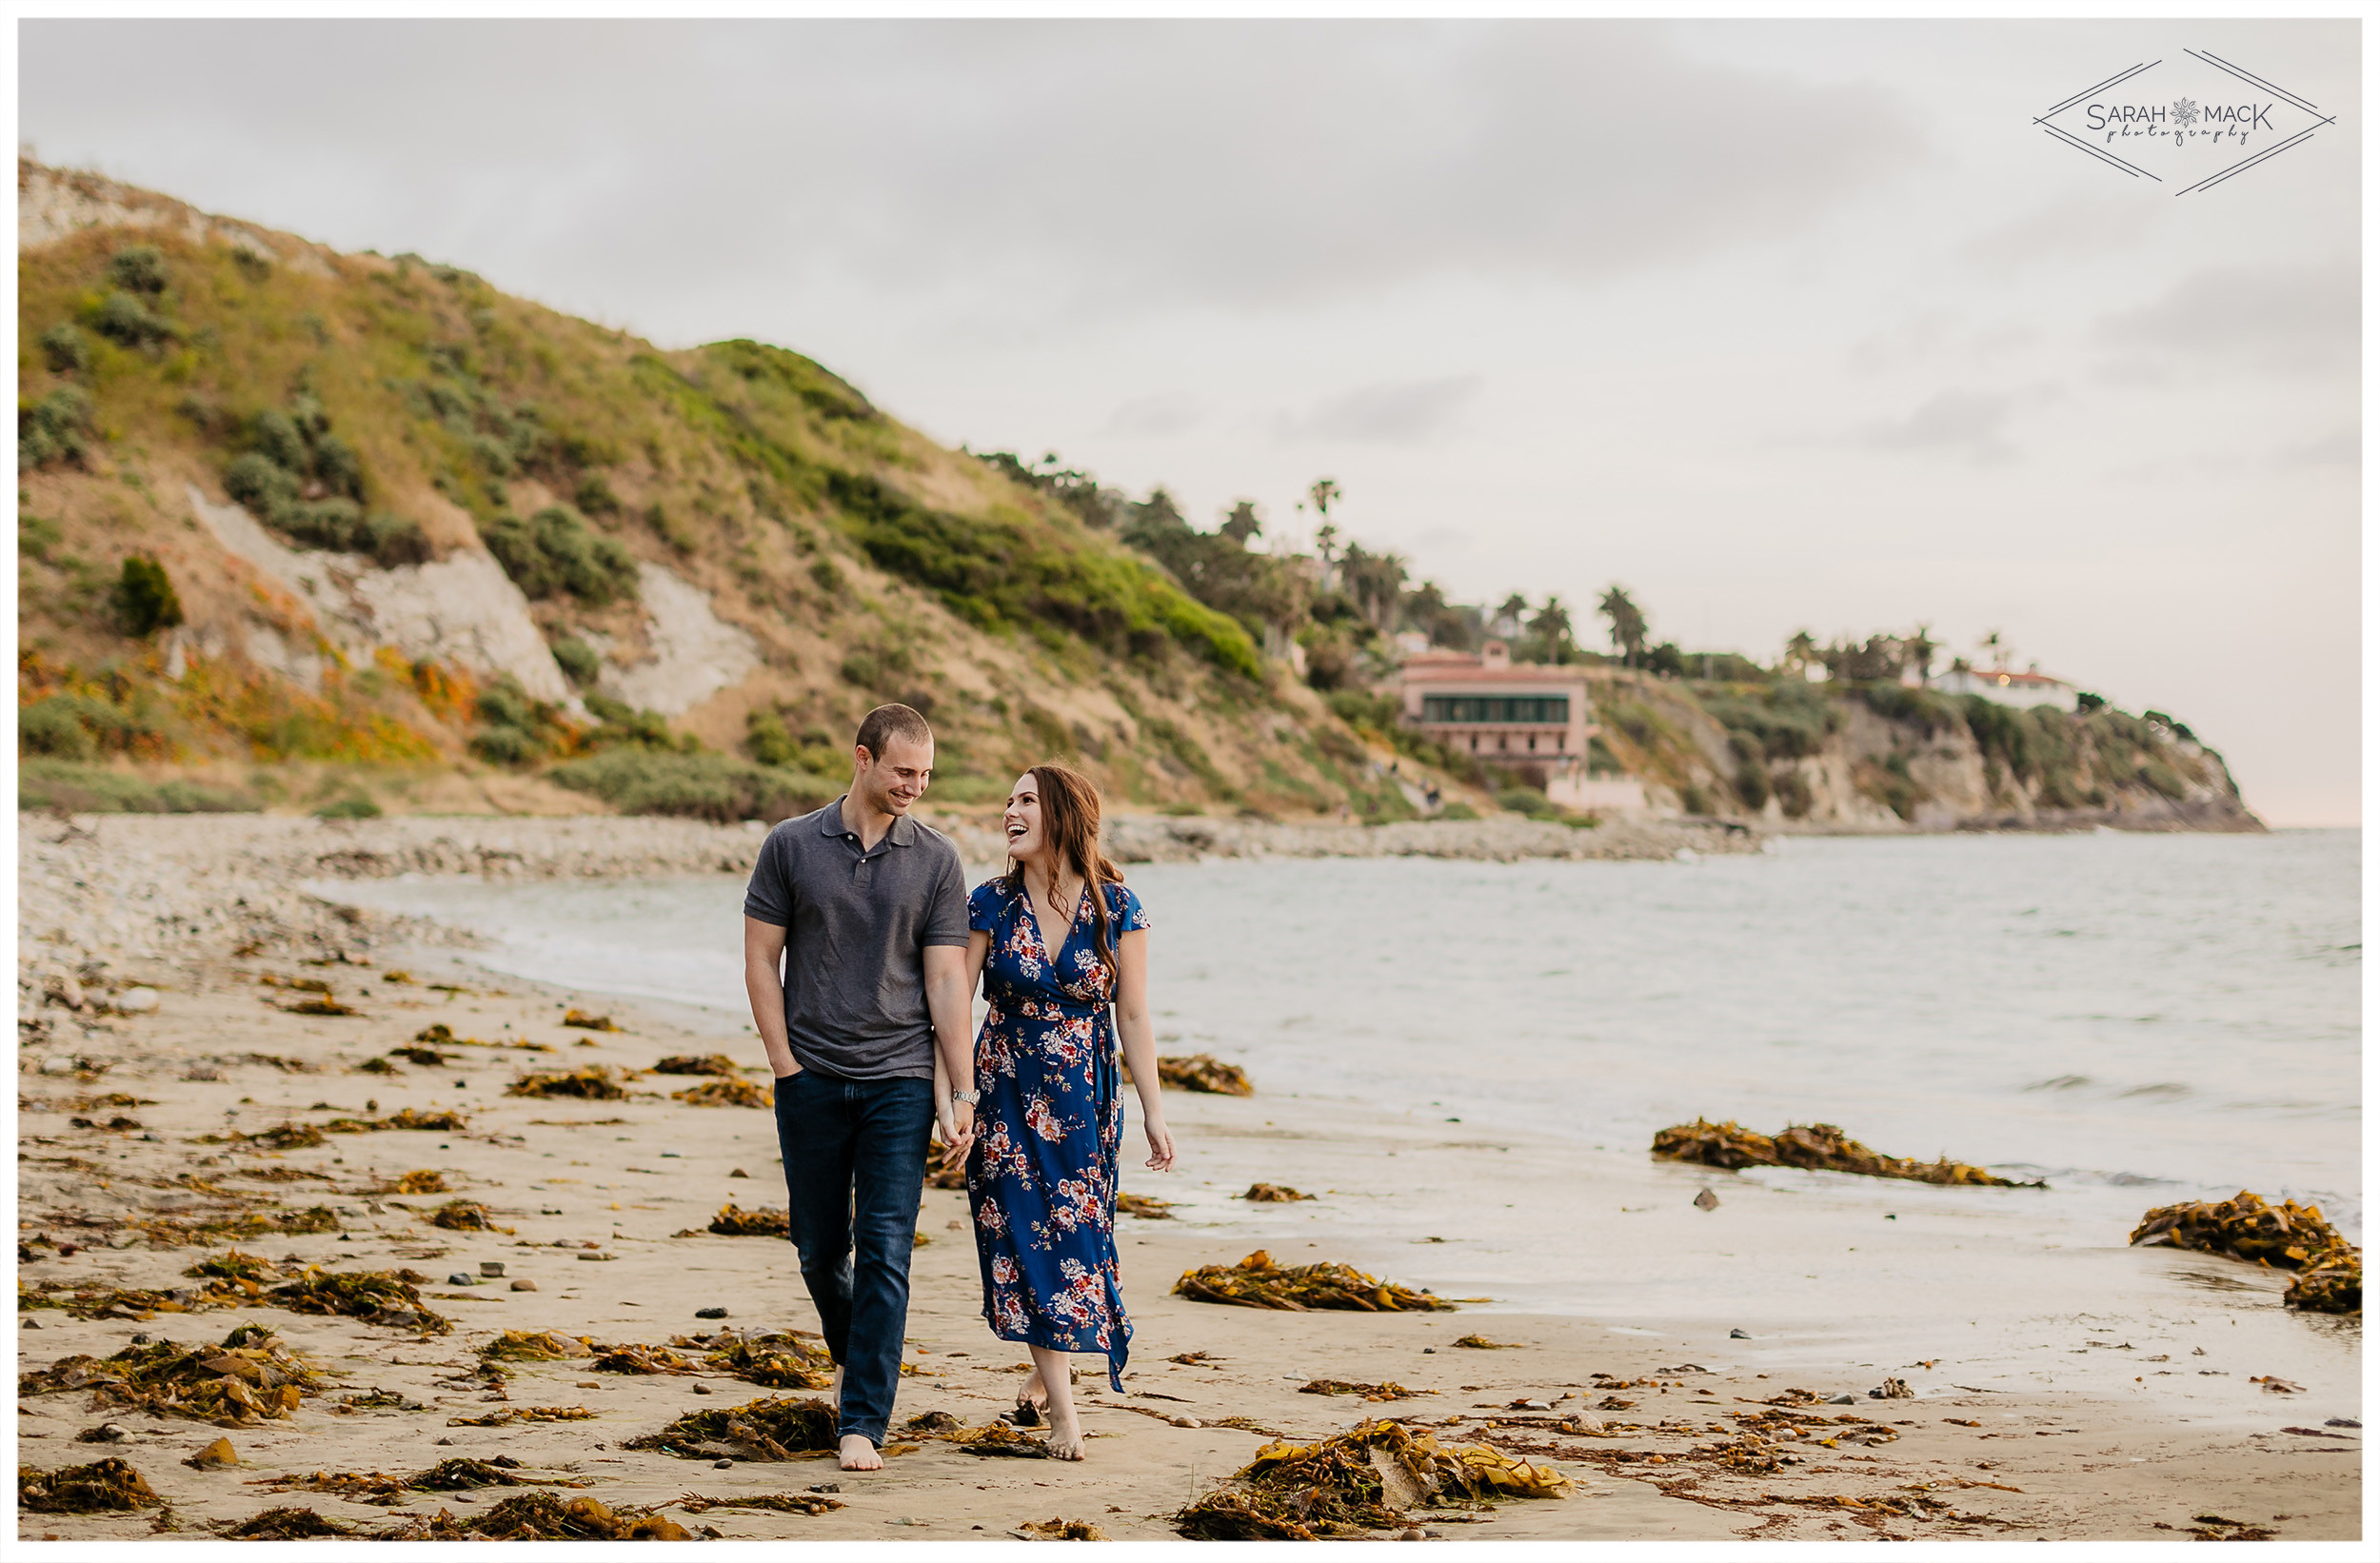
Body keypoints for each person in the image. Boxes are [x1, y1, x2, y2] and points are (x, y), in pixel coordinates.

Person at [742, 703, 979, 1472]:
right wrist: (784, 1063)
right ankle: (850, 1356)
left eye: (926, 774)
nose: (916, 786)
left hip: (900, 1081)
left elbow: (947, 981)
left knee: (884, 1248)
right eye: (905, 771)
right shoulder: (790, 845)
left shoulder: (938, 861)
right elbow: (760, 959)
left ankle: (863, 1420)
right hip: (809, 1075)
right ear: (863, 759)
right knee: (818, 1249)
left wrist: (959, 1090)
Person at [953, 763, 1176, 1460]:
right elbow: (952, 1008)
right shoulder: (988, 902)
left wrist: (1154, 1113)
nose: (1008, 811)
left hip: (1085, 1098)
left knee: (1077, 1242)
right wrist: (952, 1099)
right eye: (1008, 800)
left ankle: (1048, 1367)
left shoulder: (1118, 906)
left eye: (1025, 801)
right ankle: (1065, 1416)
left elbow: (1133, 1013)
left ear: (1062, 815)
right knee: (1022, 1240)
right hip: (1003, 1094)